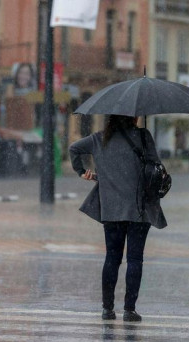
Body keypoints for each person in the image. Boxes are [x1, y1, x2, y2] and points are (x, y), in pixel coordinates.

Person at [69, 115, 167, 322]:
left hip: (111, 210)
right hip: (139, 209)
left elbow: (74, 148)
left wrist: (82, 172)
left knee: (112, 258)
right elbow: (156, 167)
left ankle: (107, 309)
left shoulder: (99, 138)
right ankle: (129, 310)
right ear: (133, 116)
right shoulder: (143, 136)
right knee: (135, 259)